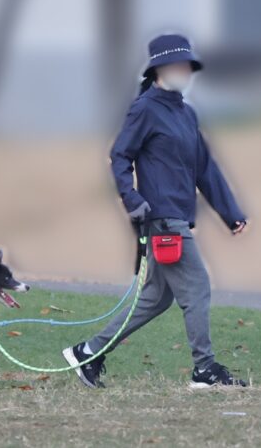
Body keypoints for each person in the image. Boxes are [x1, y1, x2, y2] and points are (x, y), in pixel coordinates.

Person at [62, 34, 249, 389]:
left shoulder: (186, 113)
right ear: (159, 69)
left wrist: (231, 213)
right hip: (162, 219)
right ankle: (204, 370)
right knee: (197, 287)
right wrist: (132, 200)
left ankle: (88, 352)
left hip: (177, 215)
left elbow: (205, 168)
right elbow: (120, 156)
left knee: (154, 299)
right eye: (177, 65)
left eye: (187, 65)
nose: (185, 71)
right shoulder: (145, 108)